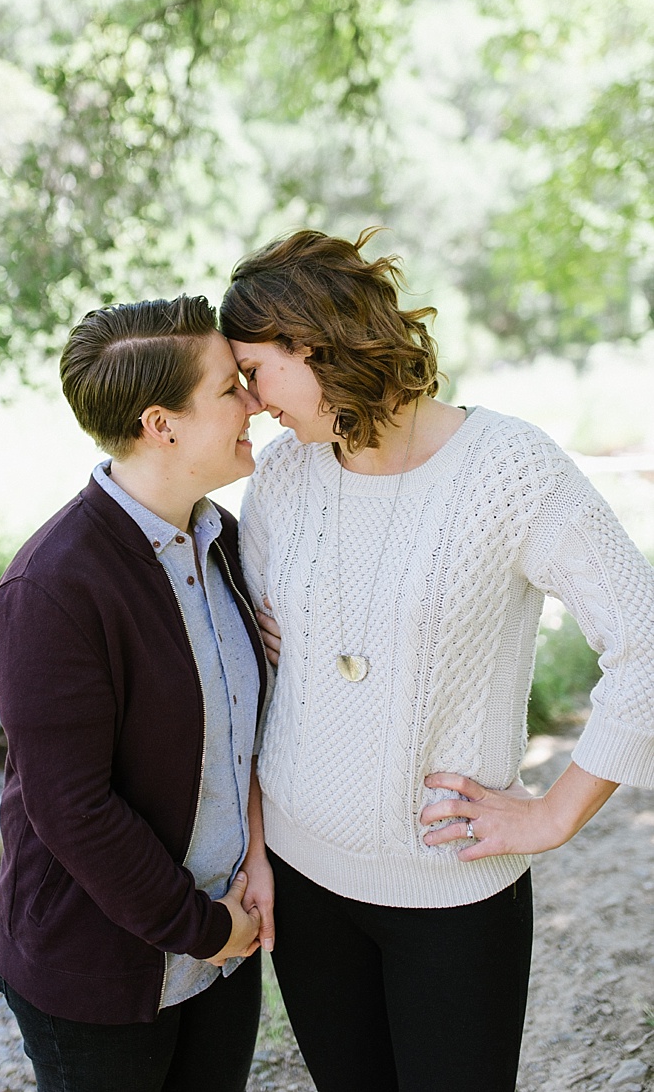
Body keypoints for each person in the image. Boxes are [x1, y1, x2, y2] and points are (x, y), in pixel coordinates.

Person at [224, 228, 654, 1091]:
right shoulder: (281, 476)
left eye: (255, 369)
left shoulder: (512, 470)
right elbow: (258, 680)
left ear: (310, 345)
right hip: (305, 885)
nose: (249, 398)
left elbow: (644, 636)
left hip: (452, 896)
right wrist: (257, 851)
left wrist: (554, 814)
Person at [0, 295, 274, 1092]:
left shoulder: (224, 542)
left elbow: (231, 736)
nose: (255, 401)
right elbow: (72, 809)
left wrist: (249, 869)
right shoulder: (51, 587)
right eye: (228, 389)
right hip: (98, 968)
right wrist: (203, 927)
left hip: (223, 951)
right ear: (162, 424)